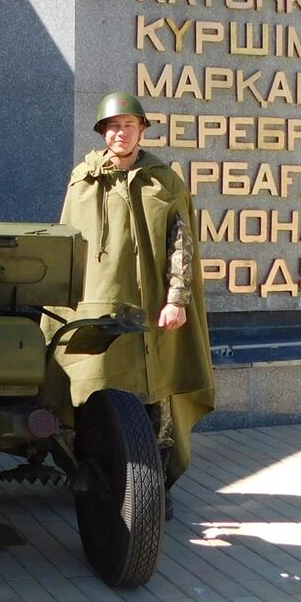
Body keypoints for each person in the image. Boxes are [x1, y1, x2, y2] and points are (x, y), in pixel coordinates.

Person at [46, 91, 216, 519]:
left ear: (142, 130)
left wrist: (176, 300)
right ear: (104, 132)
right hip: (94, 310)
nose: (121, 133)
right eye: (113, 126)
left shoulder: (165, 182)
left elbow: (182, 244)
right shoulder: (82, 180)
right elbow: (69, 244)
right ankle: (91, 477)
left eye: (129, 125)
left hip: (150, 313)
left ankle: (154, 491)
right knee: (90, 393)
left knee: (152, 402)